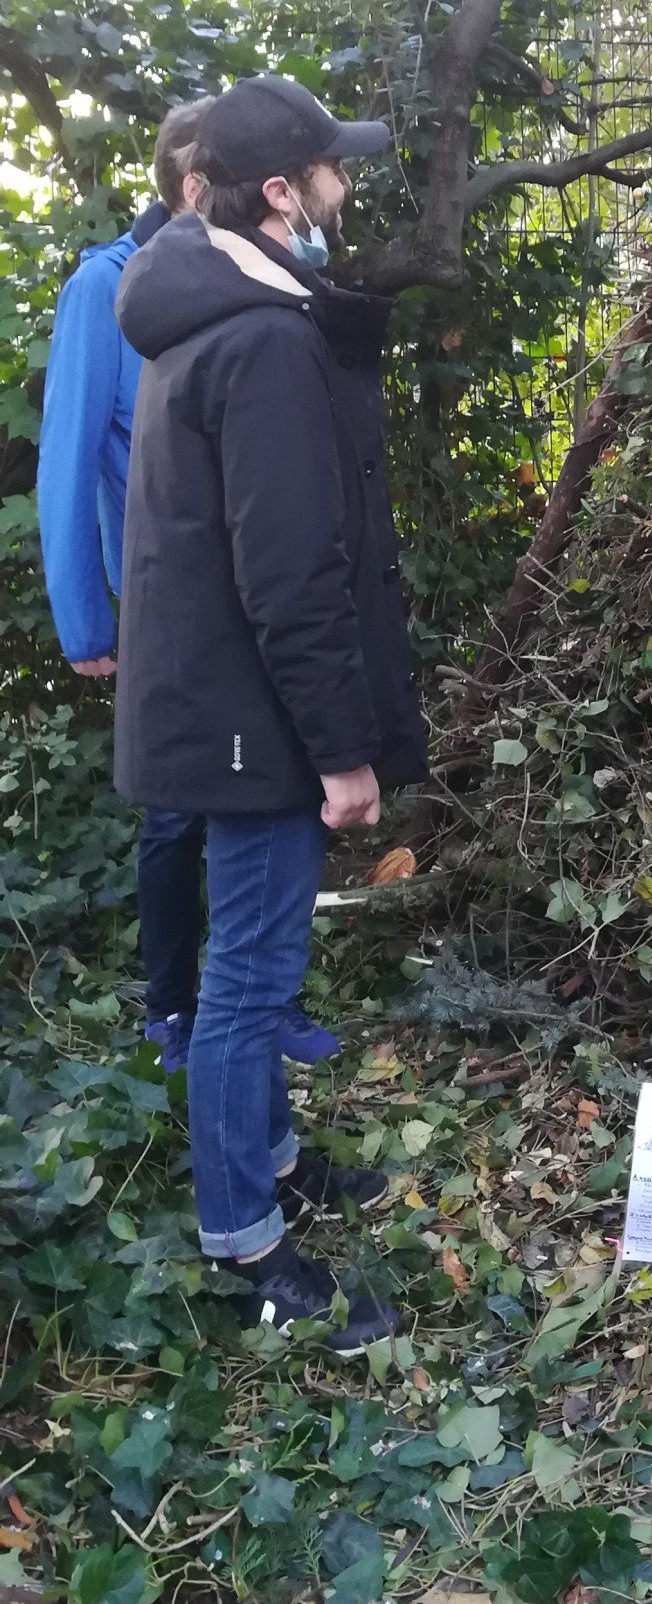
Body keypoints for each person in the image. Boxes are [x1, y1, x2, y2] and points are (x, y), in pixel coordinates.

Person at [114, 74, 426, 1351]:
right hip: (256, 721)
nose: (347, 188)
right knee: (248, 979)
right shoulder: (261, 338)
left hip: (223, 706)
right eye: (329, 169)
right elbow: (289, 567)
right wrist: (341, 750)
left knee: (255, 959)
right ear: (280, 192)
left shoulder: (219, 315)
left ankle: (276, 1162)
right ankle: (246, 1238)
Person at [36, 104, 339, 1076]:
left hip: (247, 590)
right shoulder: (108, 289)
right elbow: (68, 457)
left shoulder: (253, 289)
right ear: (191, 188)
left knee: (261, 802)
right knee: (176, 815)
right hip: (163, 606)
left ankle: (252, 1005)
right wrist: (84, 614)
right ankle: (174, 1003)